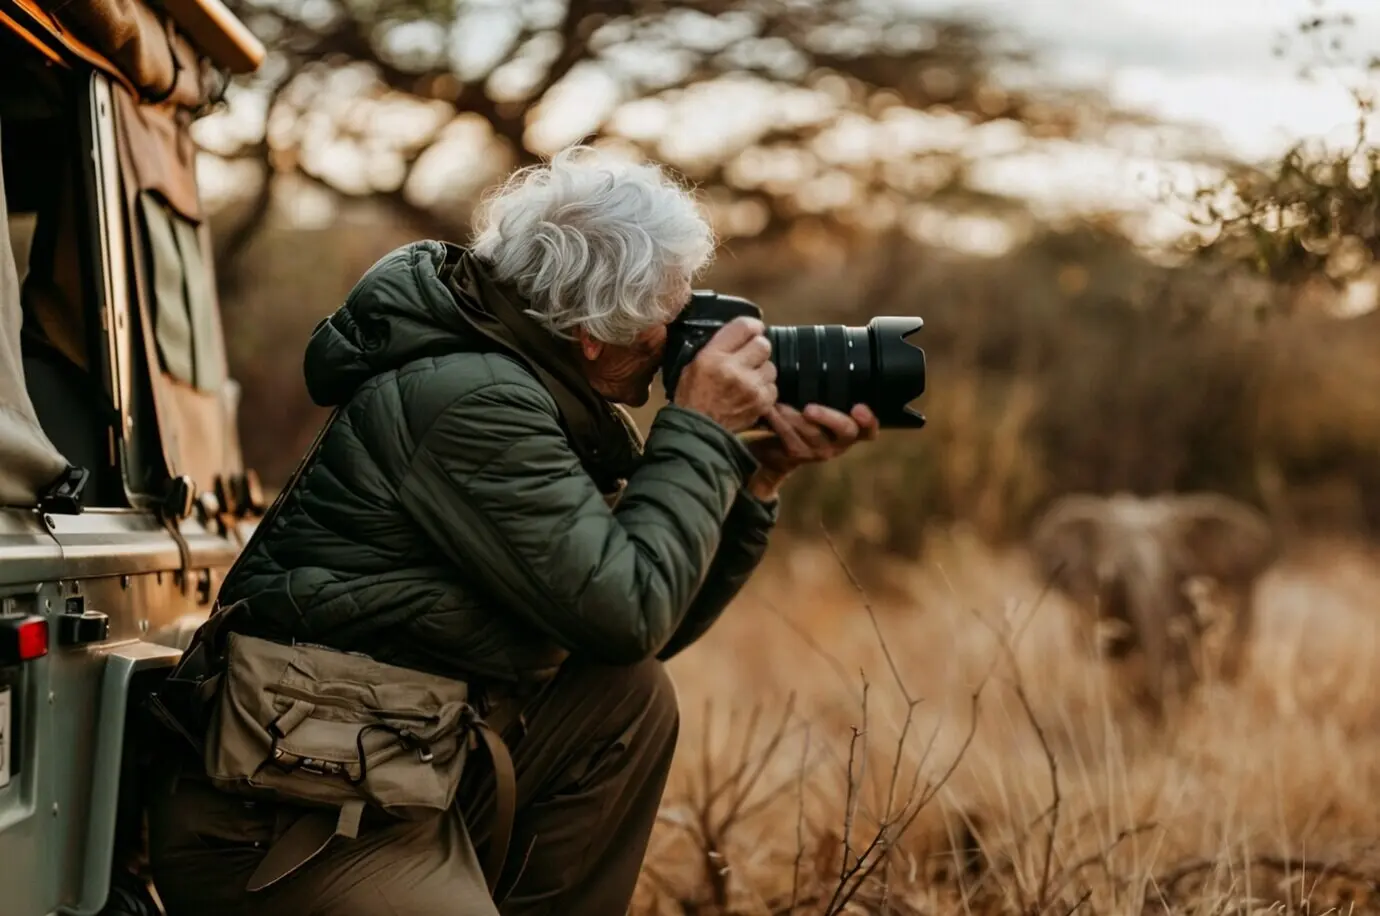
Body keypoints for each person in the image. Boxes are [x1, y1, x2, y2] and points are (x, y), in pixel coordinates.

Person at [145, 145, 879, 916]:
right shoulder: (471, 400)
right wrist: (697, 431)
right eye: (671, 312)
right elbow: (627, 608)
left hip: (399, 765)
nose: (681, 336)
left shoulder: (536, 395)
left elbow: (638, 630)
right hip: (285, 812)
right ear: (593, 330)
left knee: (626, 695)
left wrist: (751, 477)